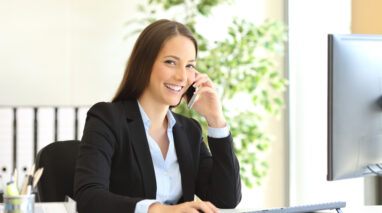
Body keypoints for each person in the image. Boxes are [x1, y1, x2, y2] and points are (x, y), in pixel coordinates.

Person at [73, 19, 241, 213]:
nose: (182, 77)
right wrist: (159, 210)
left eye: (190, 66)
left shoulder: (189, 131)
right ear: (144, 64)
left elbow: (226, 199)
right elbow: (88, 198)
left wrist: (216, 120)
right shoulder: (107, 119)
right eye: (171, 62)